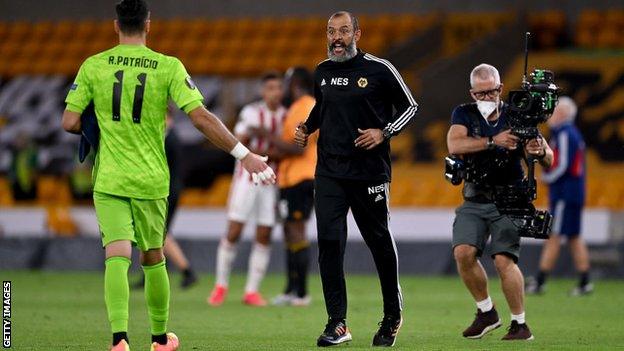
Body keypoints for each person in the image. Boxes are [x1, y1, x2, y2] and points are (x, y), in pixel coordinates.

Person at [61, 1, 275, 350]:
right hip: (150, 178)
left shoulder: (93, 66)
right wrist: (244, 154)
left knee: (116, 254)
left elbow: (69, 122)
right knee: (152, 256)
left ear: (116, 25)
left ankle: (119, 341)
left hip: (110, 178)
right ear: (148, 24)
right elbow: (201, 117)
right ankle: (160, 340)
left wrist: (96, 126)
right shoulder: (168, 67)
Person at [294, 11, 418, 347]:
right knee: (330, 245)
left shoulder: (379, 69)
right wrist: (307, 127)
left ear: (357, 34)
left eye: (343, 31)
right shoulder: (322, 71)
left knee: (378, 242)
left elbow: (410, 107)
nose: (336, 37)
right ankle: (337, 323)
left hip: (369, 172)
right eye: (331, 31)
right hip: (330, 172)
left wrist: (384, 131)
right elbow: (323, 108)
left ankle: (392, 314)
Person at [446, 63, 553, 341]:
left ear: (500, 88)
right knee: (463, 253)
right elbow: (455, 145)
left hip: (509, 197)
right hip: (475, 194)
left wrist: (538, 150)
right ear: (472, 93)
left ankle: (520, 324)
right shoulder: (463, 113)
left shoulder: (517, 113)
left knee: (504, 259)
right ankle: (486, 312)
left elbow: (549, 158)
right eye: (480, 94)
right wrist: (494, 141)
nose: (486, 98)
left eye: (491, 92)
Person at [207, 72, 286, 307]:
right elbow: (239, 141)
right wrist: (266, 145)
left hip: (271, 181)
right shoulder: (251, 112)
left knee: (264, 234)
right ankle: (220, 286)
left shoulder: (285, 115)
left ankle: (252, 291)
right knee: (234, 230)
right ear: (263, 91)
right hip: (246, 179)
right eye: (270, 87)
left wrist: (263, 138)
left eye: (278, 88)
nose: (275, 92)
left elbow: (287, 150)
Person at [526, 96, 592, 296]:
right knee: (573, 236)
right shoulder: (572, 133)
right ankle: (584, 281)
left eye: (554, 111)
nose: (550, 115)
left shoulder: (564, 134)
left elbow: (562, 165)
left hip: (565, 193)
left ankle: (540, 280)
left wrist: (546, 177)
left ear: (563, 113)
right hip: (573, 193)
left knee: (554, 235)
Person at [263, 67, 317, 307]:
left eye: (285, 82)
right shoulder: (297, 107)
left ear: (294, 82)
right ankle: (290, 289)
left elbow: (298, 146)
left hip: (301, 178)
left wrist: (266, 135)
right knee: (288, 232)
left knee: (296, 231)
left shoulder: (305, 106)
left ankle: (302, 292)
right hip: (290, 178)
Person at [132, 109, 198, 290]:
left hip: (166, 192)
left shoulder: (169, 139)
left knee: (159, 234)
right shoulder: (170, 137)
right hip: (168, 190)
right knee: (157, 233)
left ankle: (186, 271)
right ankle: (155, 273)